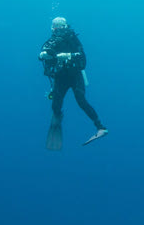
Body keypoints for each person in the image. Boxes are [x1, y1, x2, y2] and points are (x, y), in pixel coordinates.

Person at [39, 17, 108, 150]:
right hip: (60, 77)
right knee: (56, 104)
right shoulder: (51, 42)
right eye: (55, 27)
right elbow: (44, 56)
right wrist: (44, 55)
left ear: (65, 27)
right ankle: (57, 118)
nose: (57, 29)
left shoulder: (72, 38)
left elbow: (83, 59)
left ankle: (101, 127)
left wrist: (68, 55)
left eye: (60, 26)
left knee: (81, 100)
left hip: (75, 75)